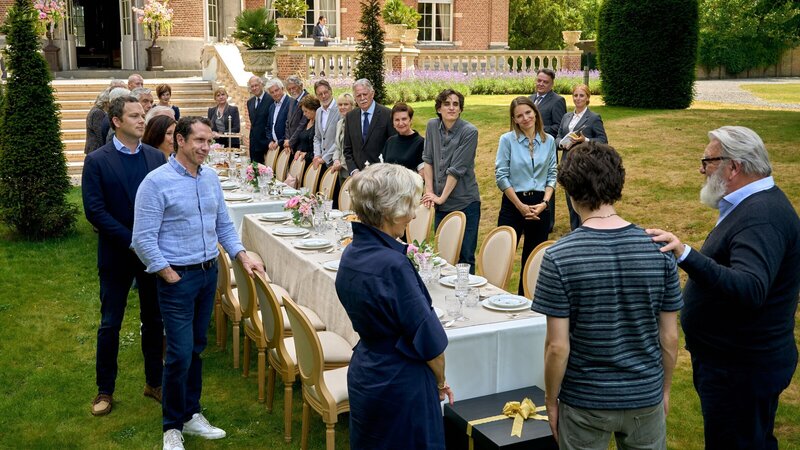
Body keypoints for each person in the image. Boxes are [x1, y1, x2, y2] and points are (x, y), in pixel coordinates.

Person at [647, 126, 800, 450]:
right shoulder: (753, 205)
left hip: (741, 370)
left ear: (734, 166)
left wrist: (685, 254)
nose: (701, 169)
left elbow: (750, 287)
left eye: (708, 161)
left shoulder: (762, 216)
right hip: (734, 364)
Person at [533, 141, 681, 450]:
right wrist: (664, 390)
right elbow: (669, 337)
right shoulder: (660, 248)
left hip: (585, 399)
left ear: (570, 192)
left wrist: (550, 399)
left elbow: (557, 346)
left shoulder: (559, 257)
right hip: (644, 395)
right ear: (618, 184)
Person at [132, 117, 265, 450]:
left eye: (210, 141)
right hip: (177, 278)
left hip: (208, 276)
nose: (206, 148)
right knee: (178, 354)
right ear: (180, 140)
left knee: (196, 348)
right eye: (200, 141)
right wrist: (168, 273)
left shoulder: (209, 178)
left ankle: (191, 415)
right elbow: (142, 238)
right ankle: (171, 427)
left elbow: (223, 224)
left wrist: (242, 255)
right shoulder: (155, 182)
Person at [335, 163, 454, 449]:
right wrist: (440, 383)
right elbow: (431, 343)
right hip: (401, 383)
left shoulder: (352, 251)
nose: (413, 214)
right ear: (391, 210)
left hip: (366, 370)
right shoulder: (393, 264)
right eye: (409, 206)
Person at [82, 96, 167, 417]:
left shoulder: (156, 157)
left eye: (143, 115)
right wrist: (134, 241)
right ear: (116, 121)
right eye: (134, 116)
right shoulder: (98, 161)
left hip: (152, 257)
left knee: (154, 320)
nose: (142, 120)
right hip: (117, 255)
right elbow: (95, 212)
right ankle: (105, 390)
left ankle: (154, 383)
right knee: (110, 323)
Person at [494, 96, 556, 295]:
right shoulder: (507, 140)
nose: (525, 118)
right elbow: (502, 176)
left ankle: (527, 301)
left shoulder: (550, 141)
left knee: (533, 258)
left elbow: (552, 174)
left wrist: (545, 203)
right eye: (519, 116)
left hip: (541, 205)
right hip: (513, 202)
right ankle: (496, 297)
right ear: (514, 119)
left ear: (535, 113)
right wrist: (520, 206)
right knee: (502, 254)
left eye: (528, 113)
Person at [422, 89, 481, 273]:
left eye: (456, 104)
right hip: (441, 205)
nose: (452, 108)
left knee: (465, 258)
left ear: (461, 109)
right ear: (439, 108)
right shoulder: (432, 126)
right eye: (447, 103)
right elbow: (428, 160)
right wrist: (430, 192)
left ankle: (467, 297)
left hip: (466, 203)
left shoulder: (469, 132)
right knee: (443, 256)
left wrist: (441, 197)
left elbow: (456, 170)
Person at [556, 84, 608, 230]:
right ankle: (575, 231)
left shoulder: (593, 118)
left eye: (581, 96)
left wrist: (584, 140)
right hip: (567, 164)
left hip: (584, 165)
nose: (578, 99)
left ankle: (587, 230)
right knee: (570, 201)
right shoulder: (566, 117)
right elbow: (558, 136)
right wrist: (561, 144)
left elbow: (603, 141)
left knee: (583, 201)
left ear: (587, 98)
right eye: (575, 95)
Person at [530, 68, 567, 232]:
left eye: (545, 82)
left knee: (546, 185)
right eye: (539, 80)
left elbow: (559, 128)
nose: (541, 84)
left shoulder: (557, 100)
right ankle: (530, 217)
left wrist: (538, 131)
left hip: (546, 150)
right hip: (527, 150)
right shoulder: (530, 99)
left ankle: (547, 223)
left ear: (552, 84)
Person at [343, 78, 396, 175]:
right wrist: (354, 171)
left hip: (381, 175)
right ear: (355, 98)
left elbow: (393, 147)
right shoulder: (350, 117)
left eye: (365, 94)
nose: (362, 98)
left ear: (372, 93)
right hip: (358, 175)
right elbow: (347, 149)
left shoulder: (387, 114)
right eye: (358, 95)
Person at [382, 102, 424, 174]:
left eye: (404, 119)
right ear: (393, 123)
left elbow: (422, 175)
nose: (400, 123)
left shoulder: (421, 143)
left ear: (410, 120)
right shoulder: (390, 141)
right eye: (397, 120)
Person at [311, 79, 339, 174]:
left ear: (331, 91)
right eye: (320, 94)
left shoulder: (340, 109)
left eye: (325, 92)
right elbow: (317, 137)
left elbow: (339, 140)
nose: (323, 96)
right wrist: (317, 155)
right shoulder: (318, 111)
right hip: (320, 162)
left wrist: (325, 158)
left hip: (335, 162)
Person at [331, 93, 355, 195]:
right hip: (340, 170)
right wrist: (336, 160)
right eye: (340, 105)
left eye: (346, 104)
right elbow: (337, 146)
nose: (342, 107)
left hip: (351, 169)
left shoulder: (355, 123)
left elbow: (353, 148)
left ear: (352, 106)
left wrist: (342, 163)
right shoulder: (339, 123)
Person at [246, 75, 273, 163]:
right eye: (252, 86)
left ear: (261, 85)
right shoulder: (250, 102)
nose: (254, 88)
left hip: (267, 143)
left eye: (256, 85)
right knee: (254, 171)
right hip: (254, 143)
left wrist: (270, 140)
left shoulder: (271, 99)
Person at [266, 78, 293, 158]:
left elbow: (291, 127)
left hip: (286, 147)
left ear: (282, 89)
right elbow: (268, 127)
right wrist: (270, 140)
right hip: (274, 147)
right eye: (272, 92)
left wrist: (279, 142)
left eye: (276, 90)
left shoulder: (290, 103)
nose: (275, 94)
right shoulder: (272, 106)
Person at [282, 75, 309, 158]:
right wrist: (287, 139)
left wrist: (290, 142)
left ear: (300, 86)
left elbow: (302, 124)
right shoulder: (292, 100)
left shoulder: (307, 99)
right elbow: (288, 121)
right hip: (290, 145)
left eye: (293, 88)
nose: (291, 91)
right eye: (289, 89)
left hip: (301, 146)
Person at [293, 95, 321, 169]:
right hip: (302, 163)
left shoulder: (319, 125)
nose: (304, 114)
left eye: (306, 111)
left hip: (312, 165)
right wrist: (299, 151)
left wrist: (306, 155)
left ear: (313, 109)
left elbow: (318, 149)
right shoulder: (307, 121)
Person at [84, 86, 111, 154]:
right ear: (105, 102)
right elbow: (100, 133)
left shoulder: (96, 110)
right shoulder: (98, 112)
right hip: (96, 149)